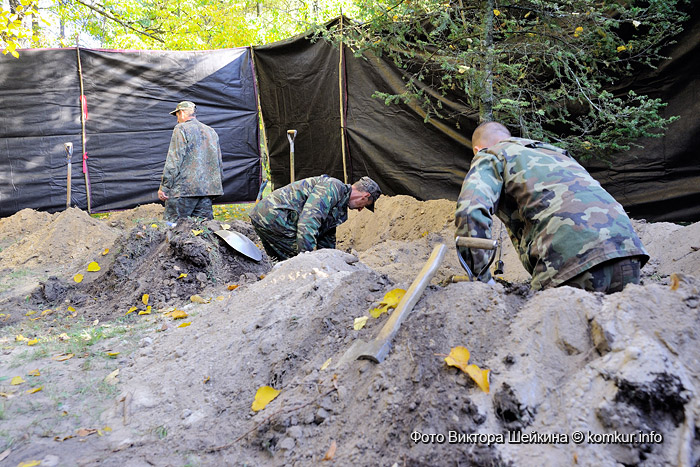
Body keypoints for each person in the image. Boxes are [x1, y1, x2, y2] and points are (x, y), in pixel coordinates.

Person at [455, 121, 649, 293]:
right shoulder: (555, 152)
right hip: (627, 253)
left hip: (569, 260)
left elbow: (470, 210)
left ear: (477, 150)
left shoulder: (490, 154)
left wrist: (481, 279)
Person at [250, 175, 382, 261]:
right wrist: (308, 259)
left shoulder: (340, 201)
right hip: (274, 216)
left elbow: (326, 237)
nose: (360, 210)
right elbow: (308, 221)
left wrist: (333, 259)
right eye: (365, 205)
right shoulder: (333, 186)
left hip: (272, 219)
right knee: (296, 260)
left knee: (281, 261)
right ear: (364, 196)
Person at [158, 101, 224, 223]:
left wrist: (165, 187)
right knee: (203, 231)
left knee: (173, 229)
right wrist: (215, 189)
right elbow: (219, 162)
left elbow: (174, 159)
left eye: (177, 116)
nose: (177, 120)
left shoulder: (181, 128)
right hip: (206, 191)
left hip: (183, 191)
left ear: (182, 113)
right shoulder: (211, 131)